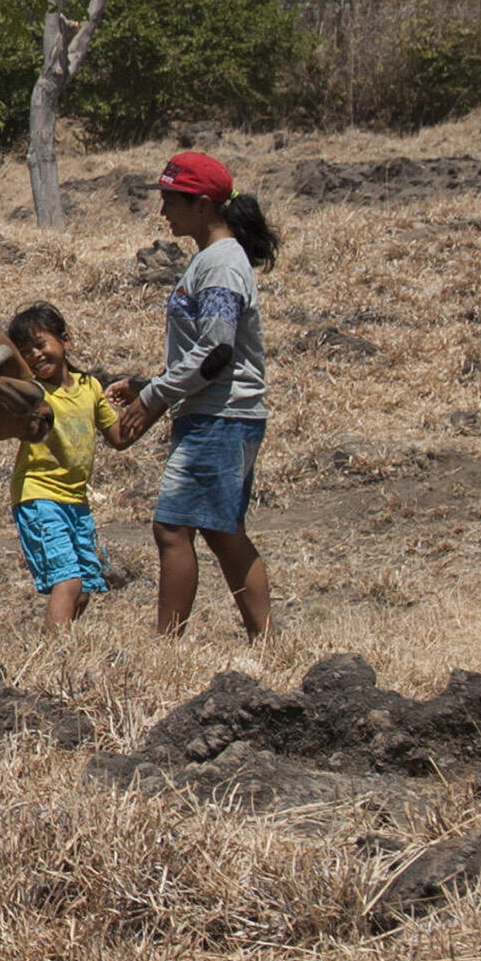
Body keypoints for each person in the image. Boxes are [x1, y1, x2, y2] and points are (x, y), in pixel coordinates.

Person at [133, 150, 278, 641]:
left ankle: (168, 645)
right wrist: (149, 386)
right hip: (220, 413)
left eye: (170, 200)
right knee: (219, 530)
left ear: (201, 205)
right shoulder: (214, 260)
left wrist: (153, 398)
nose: (163, 212)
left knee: (174, 529)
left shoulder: (218, 265)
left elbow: (215, 353)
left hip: (219, 416)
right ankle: (265, 638)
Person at [1, 304, 153, 631]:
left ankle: (58, 643)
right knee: (67, 581)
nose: (36, 356)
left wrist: (153, 402)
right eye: (26, 353)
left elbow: (118, 437)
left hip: (76, 502)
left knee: (83, 588)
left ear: (65, 340)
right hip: (39, 496)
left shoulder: (90, 387)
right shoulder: (33, 392)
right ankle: (55, 656)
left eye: (41, 345)